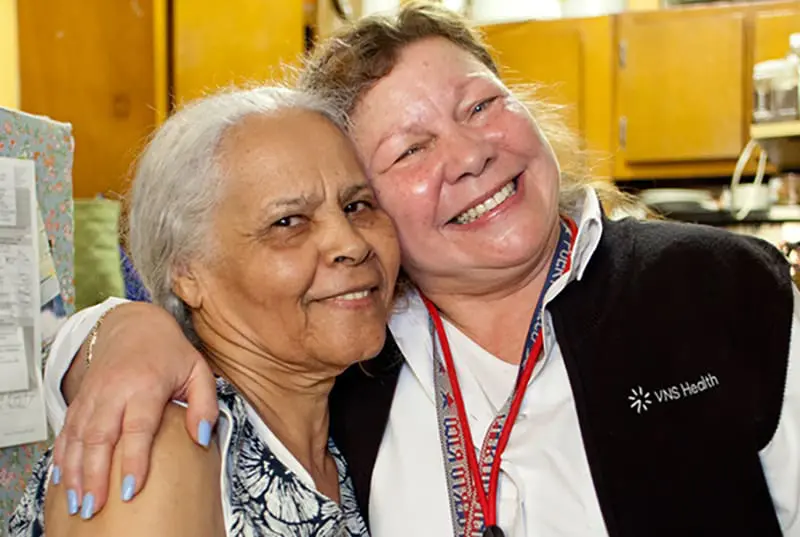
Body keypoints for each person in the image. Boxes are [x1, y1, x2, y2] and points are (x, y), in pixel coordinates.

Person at [19, 3, 800, 536]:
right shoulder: (333, 365)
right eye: (410, 149)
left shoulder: (718, 290)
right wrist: (114, 330)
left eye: (481, 106)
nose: (470, 155)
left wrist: (112, 330)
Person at [9, 85, 400, 536]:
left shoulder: (339, 441)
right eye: (288, 222)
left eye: (357, 206)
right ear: (187, 273)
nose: (350, 243)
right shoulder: (158, 448)